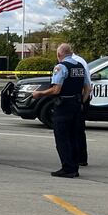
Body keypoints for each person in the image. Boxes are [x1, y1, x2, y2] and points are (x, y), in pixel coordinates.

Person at [32, 43, 91, 177]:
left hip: (64, 105)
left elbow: (56, 89)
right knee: (73, 136)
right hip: (76, 104)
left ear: (59, 54)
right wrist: (81, 101)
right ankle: (74, 167)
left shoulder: (61, 67)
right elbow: (88, 88)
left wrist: (40, 94)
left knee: (62, 137)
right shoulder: (80, 66)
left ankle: (68, 168)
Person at [71, 51, 90, 166]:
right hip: (80, 98)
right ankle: (79, 157)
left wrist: (82, 101)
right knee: (78, 130)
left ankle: (80, 158)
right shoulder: (79, 61)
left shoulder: (77, 62)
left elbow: (86, 85)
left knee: (77, 129)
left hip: (78, 98)